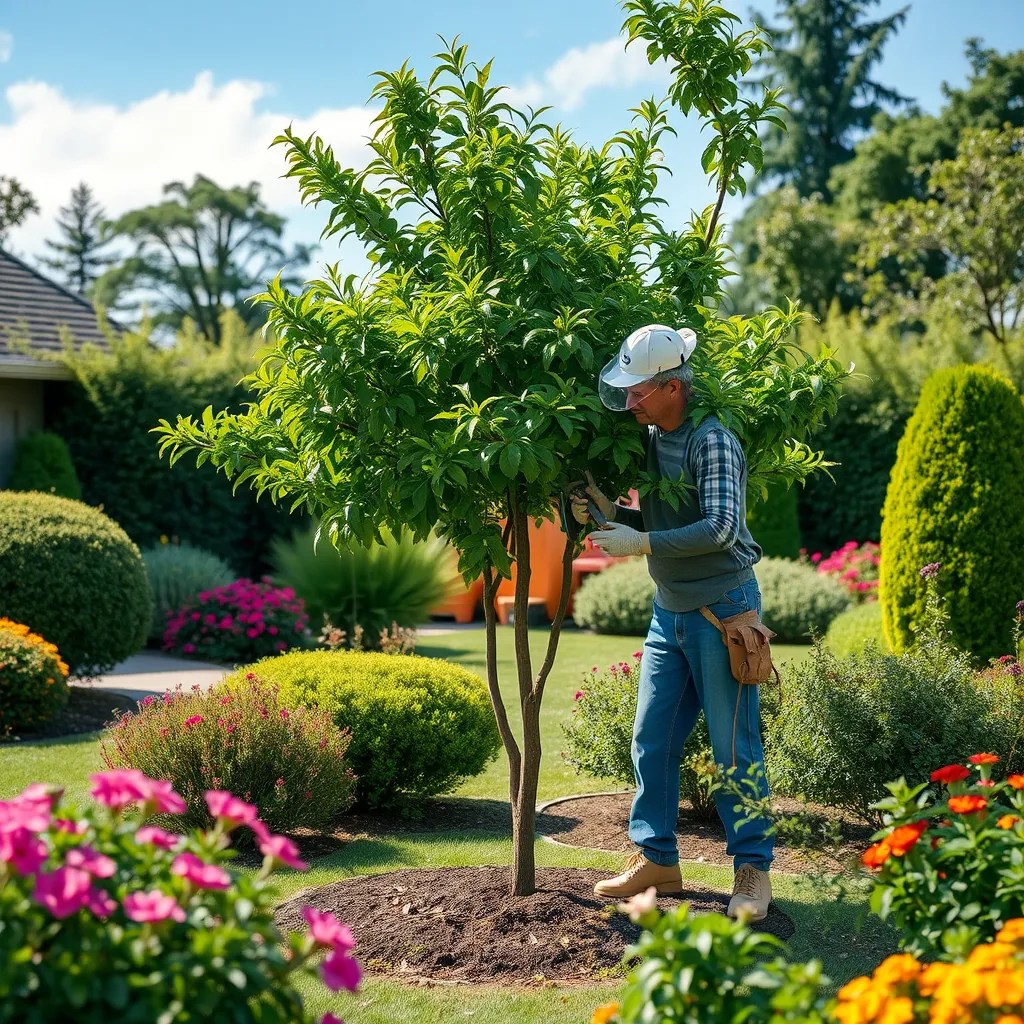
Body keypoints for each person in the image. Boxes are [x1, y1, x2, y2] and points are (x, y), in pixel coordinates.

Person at [571, 323, 774, 921]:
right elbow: (658, 512)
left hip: (725, 612)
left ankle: (753, 870)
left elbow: (719, 527)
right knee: (652, 738)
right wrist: (612, 513)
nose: (629, 400)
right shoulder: (652, 438)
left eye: (639, 391)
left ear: (672, 388)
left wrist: (642, 542)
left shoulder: (713, 441)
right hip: (670, 612)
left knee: (734, 748)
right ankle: (657, 859)